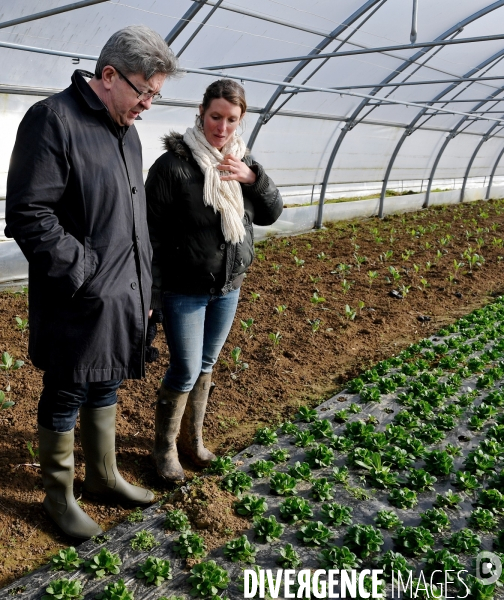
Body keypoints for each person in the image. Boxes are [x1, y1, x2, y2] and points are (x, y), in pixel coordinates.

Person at [5, 25, 178, 539]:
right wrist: (86, 273)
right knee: (66, 389)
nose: (148, 104)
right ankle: (58, 496)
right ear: (108, 75)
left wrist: (146, 289)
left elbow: (133, 217)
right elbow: (28, 213)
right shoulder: (54, 120)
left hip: (125, 290)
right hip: (78, 296)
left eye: (155, 95)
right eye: (144, 91)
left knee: (106, 380)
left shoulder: (128, 132)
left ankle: (103, 477)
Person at [145, 78, 283, 482]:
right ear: (201, 113)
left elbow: (271, 213)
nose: (222, 128)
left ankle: (192, 440)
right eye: (215, 117)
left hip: (228, 286)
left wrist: (253, 178)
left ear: (241, 122)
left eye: (231, 120)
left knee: (206, 364)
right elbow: (149, 235)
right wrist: (151, 294)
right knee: (185, 369)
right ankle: (164, 450)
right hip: (183, 289)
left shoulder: (241, 162)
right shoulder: (172, 166)